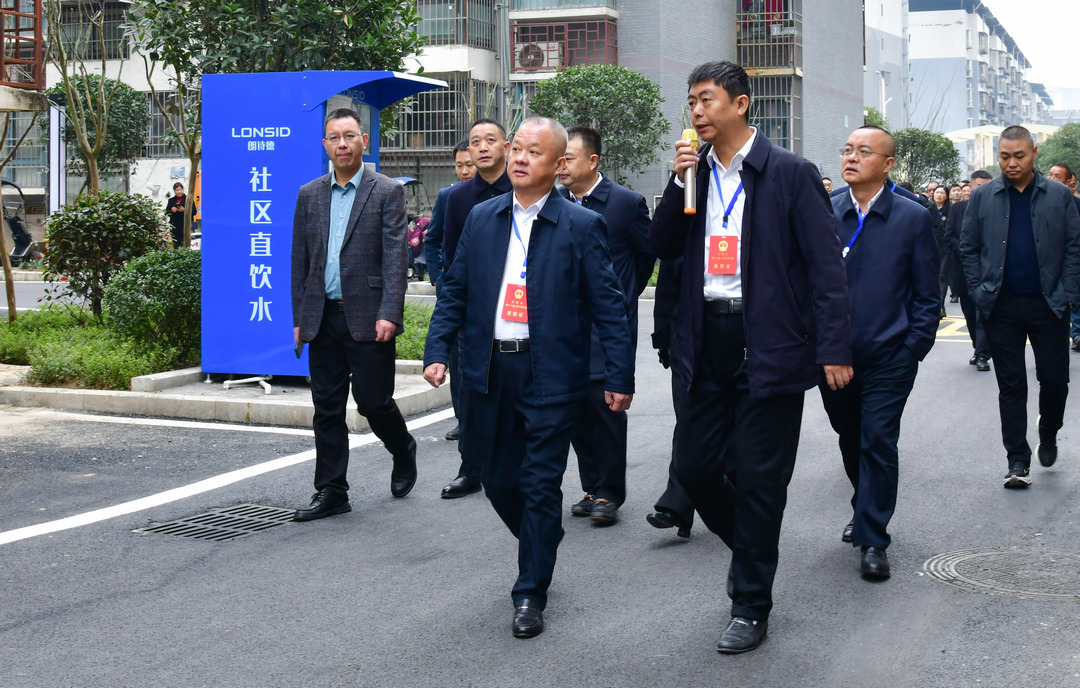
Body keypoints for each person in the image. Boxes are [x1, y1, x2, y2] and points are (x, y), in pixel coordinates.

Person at [648, 61, 852, 654]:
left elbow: (826, 270)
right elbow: (660, 246)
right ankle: (752, 549)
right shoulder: (694, 174)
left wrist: (834, 347)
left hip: (769, 343)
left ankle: (750, 604)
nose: (697, 111)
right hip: (705, 338)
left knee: (761, 481)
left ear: (740, 103)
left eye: (707, 99)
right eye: (691, 101)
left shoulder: (790, 173)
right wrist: (676, 183)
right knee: (694, 470)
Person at [422, 116, 635, 639]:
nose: (519, 158)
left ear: (558, 166)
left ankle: (529, 593)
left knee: (541, 484)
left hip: (551, 373)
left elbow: (609, 308)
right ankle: (540, 538)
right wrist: (437, 349)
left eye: (533, 152)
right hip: (490, 370)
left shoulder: (581, 225)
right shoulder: (483, 218)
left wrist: (619, 375)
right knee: (496, 479)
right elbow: (456, 290)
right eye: (516, 148)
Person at [822, 126, 940, 581]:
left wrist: (913, 347)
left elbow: (927, 293)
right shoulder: (826, 211)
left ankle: (873, 537)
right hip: (835, 357)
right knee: (850, 436)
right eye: (847, 149)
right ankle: (864, 504)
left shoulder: (913, 217)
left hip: (891, 357)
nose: (851, 157)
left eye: (864, 151)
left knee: (877, 438)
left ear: (888, 164)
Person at [290, 108, 417, 520]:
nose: (342, 144)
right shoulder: (309, 194)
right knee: (326, 408)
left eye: (349, 136)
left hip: (368, 316)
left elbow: (396, 257)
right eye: (334, 137)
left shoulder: (386, 191)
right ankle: (332, 490)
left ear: (363, 140)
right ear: (324, 145)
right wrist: (299, 318)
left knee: (373, 402)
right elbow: (299, 260)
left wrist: (389, 312)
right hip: (322, 316)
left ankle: (403, 447)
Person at [960, 125, 1080, 489]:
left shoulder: (1059, 195)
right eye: (1004, 156)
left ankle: (1049, 431)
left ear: (1034, 152)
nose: (1011, 163)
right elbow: (968, 247)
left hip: (1049, 304)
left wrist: (1067, 293)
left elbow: (1074, 247)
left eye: (1019, 156)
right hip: (1001, 306)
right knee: (1011, 385)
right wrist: (979, 291)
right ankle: (1017, 459)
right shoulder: (984, 196)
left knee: (1055, 380)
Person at [559, 126, 654, 525]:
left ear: (593, 161)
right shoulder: (556, 202)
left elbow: (646, 256)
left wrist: (624, 294)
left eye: (569, 158)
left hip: (608, 325)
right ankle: (591, 485)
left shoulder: (626, 203)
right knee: (576, 409)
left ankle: (610, 492)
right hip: (567, 325)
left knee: (606, 406)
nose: (561, 166)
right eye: (559, 159)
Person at [438, 119, 513, 499]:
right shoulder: (458, 198)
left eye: (490, 140)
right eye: (475, 142)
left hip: (518, 310)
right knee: (470, 394)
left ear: (506, 146)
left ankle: (516, 468)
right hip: (474, 313)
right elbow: (453, 258)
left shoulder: (523, 187)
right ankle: (470, 469)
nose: (482, 147)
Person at [423, 141, 476, 441]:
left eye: (469, 164)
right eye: (460, 165)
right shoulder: (449, 196)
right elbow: (432, 240)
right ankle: (462, 419)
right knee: (455, 358)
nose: (465, 171)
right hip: (453, 290)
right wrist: (436, 279)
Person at [646, 256, 694, 539]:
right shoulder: (685, 228)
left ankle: (730, 497)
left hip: (742, 338)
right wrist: (664, 338)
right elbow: (667, 283)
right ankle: (677, 507)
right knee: (687, 421)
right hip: (687, 340)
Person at [944, 170, 993, 370]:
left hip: (988, 271)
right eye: (981, 185)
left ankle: (983, 353)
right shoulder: (958, 209)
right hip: (963, 270)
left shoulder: (996, 209)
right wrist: (967, 251)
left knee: (983, 313)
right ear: (971, 188)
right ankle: (977, 347)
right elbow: (949, 236)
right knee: (970, 315)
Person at [1047, 163, 1080, 351]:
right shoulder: (1038, 202)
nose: (1051, 179)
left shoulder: (1076, 205)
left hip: (1071, 265)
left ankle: (1076, 333)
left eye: (1057, 176)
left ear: (1069, 183)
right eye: (1050, 174)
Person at [931, 185, 952, 316]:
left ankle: (941, 306)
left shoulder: (949, 210)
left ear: (946, 196)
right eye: (936, 192)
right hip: (931, 248)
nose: (938, 195)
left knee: (942, 276)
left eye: (941, 193)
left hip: (945, 248)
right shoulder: (928, 208)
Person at [165, 182, 192, 248]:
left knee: (185, 243)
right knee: (176, 243)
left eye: (180, 189)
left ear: (183, 190)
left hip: (185, 225)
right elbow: (166, 212)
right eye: (177, 190)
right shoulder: (171, 200)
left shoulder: (188, 200)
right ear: (174, 191)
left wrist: (185, 210)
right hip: (174, 225)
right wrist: (172, 211)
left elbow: (194, 211)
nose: (179, 191)